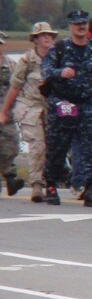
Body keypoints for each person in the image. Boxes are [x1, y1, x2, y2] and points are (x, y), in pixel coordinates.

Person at [39, 9, 92, 206]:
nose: (81, 27)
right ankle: (51, 185)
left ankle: (91, 189)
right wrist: (60, 72)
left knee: (91, 148)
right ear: (70, 26)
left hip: (88, 104)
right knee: (57, 147)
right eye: (77, 24)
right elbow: (46, 70)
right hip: (63, 102)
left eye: (84, 23)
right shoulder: (59, 48)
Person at [0, 23, 56, 200]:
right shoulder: (27, 61)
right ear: (35, 39)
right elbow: (14, 88)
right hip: (30, 107)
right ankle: (37, 186)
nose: (47, 38)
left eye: (49, 35)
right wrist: (4, 111)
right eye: (42, 35)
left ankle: (50, 183)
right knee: (37, 145)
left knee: (52, 147)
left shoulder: (57, 58)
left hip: (52, 108)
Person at [0, 31, 26, 198]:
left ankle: (10, 177)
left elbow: (19, 87)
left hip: (6, 114)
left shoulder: (11, 65)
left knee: (11, 146)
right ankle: (10, 177)